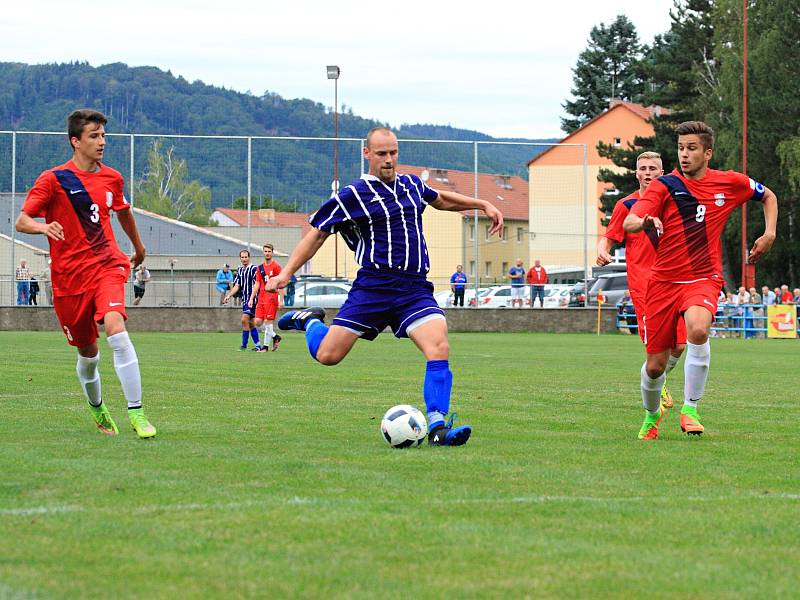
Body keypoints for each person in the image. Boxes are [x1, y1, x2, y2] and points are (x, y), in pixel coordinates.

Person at [267, 127, 503, 446]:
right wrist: (286, 274)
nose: (389, 159)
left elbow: (442, 199)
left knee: (439, 346)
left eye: (393, 152)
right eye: (381, 153)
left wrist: (482, 204)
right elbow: (317, 233)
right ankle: (309, 320)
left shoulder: (411, 185)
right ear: (367, 154)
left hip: (414, 288)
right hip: (374, 287)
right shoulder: (352, 195)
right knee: (328, 355)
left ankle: (437, 427)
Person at [623, 121, 777, 438]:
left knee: (698, 328)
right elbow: (630, 219)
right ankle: (652, 416)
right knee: (654, 367)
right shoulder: (663, 186)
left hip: (703, 278)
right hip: (663, 283)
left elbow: (768, 196)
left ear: (707, 152)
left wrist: (770, 233)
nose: (684, 154)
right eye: (680, 148)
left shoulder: (729, 182)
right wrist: (646, 220)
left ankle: (690, 409)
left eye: (691, 148)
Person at [14, 108, 156, 439]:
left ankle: (138, 414)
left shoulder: (112, 178)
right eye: (94, 136)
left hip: (108, 264)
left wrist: (138, 248)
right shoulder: (53, 179)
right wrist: (43, 227)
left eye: (103, 135)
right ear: (75, 141)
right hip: (69, 279)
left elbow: (123, 212)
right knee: (88, 354)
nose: (102, 142)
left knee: (115, 327)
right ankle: (98, 408)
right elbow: (22, 221)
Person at [597, 151, 685, 418]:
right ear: (636, 173)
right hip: (644, 287)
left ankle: (659, 379)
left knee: (680, 345)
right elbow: (609, 238)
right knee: (656, 348)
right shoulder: (627, 205)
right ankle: (654, 395)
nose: (647, 172)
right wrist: (603, 250)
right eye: (643, 168)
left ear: (662, 173)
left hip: (674, 283)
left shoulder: (673, 203)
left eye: (653, 169)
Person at [248, 243, 284, 352]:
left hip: (272, 297)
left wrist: (281, 300)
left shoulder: (276, 267)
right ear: (263, 252)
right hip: (261, 298)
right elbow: (257, 283)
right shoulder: (260, 268)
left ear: (272, 253)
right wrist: (251, 298)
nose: (267, 253)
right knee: (257, 322)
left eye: (269, 251)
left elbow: (281, 283)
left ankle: (265, 347)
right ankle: (275, 336)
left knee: (268, 322)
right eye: (265, 251)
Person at [223, 250, 261, 350]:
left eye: (245, 257)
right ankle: (258, 346)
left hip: (252, 299)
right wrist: (229, 295)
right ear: (240, 258)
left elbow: (257, 285)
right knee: (251, 323)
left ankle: (244, 345)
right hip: (245, 299)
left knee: (244, 319)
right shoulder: (240, 270)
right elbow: (237, 285)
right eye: (242, 257)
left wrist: (252, 298)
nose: (244, 259)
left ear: (249, 257)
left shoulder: (254, 269)